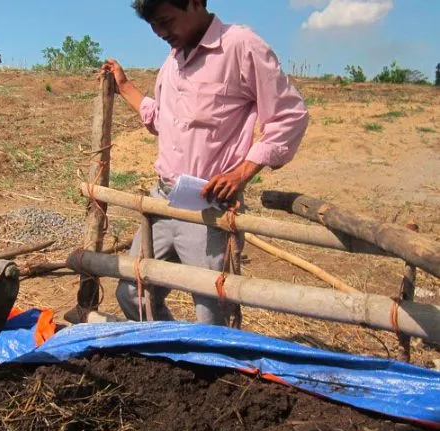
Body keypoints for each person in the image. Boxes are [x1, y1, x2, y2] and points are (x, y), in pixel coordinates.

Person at [104, 0, 309, 325]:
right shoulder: (173, 60)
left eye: (167, 21)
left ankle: (208, 370)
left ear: (196, 3)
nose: (160, 33)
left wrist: (243, 172)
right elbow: (164, 118)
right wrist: (125, 87)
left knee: (212, 312)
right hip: (163, 201)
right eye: (154, 25)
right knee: (133, 292)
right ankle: (173, 360)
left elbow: (290, 116)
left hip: (209, 206)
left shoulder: (240, 46)